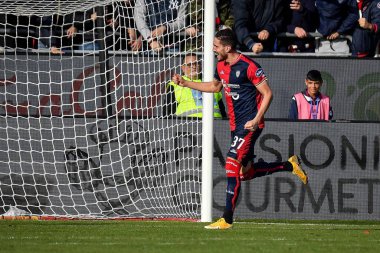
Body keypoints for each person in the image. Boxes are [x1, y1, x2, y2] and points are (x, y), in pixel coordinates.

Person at [172, 29, 308, 229]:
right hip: (236, 126)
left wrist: (256, 119)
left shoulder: (249, 66)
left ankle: (226, 219)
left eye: (216, 46)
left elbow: (268, 94)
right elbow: (215, 87)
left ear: (227, 47)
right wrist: (185, 83)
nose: (213, 48)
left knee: (231, 163)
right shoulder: (221, 65)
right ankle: (289, 165)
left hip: (250, 125)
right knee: (246, 173)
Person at [165, 53, 226, 118]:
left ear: (201, 65)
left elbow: (222, 109)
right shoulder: (175, 84)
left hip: (215, 124)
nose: (194, 67)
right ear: (183, 68)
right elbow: (168, 113)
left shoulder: (212, 83)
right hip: (187, 124)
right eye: (189, 65)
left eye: (196, 64)